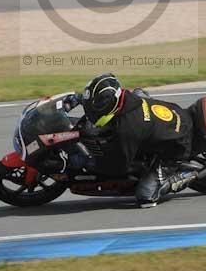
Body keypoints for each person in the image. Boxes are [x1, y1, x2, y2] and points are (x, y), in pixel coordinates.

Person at [64, 73, 195, 208]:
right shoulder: (124, 96)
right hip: (173, 115)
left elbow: (118, 167)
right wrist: (79, 98)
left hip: (179, 143)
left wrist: (88, 161)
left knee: (145, 197)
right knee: (138, 93)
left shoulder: (127, 129)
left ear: (110, 104)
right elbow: (99, 98)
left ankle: (182, 175)